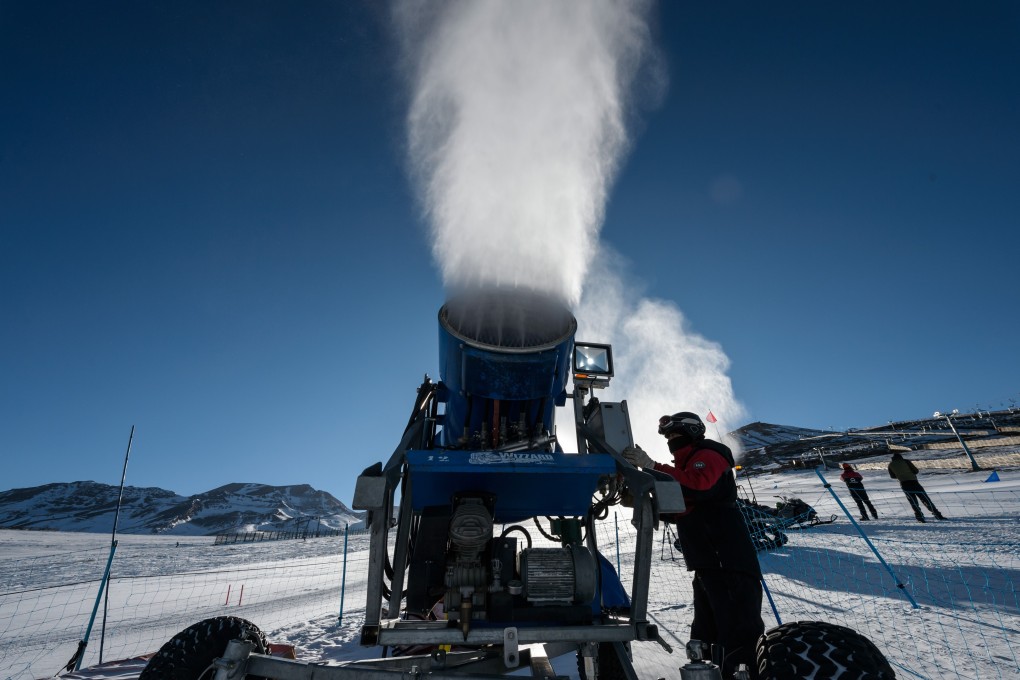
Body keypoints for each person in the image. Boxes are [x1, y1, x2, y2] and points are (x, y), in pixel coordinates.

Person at [624, 412, 763, 680]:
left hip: (727, 560)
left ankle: (742, 674)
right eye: (667, 437)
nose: (671, 441)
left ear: (691, 432)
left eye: (675, 435)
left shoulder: (709, 454)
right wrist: (641, 503)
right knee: (707, 630)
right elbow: (683, 507)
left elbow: (698, 488)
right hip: (708, 562)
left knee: (737, 629)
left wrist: (653, 466)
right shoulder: (685, 466)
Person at [888, 452, 945, 522]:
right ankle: (937, 515)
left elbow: (892, 476)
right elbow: (916, 471)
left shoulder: (890, 465)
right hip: (914, 482)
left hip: (904, 484)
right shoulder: (906, 461)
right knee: (925, 499)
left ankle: (920, 518)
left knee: (913, 502)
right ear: (901, 457)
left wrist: (900, 475)